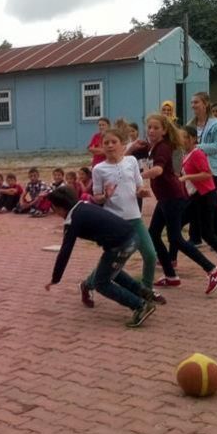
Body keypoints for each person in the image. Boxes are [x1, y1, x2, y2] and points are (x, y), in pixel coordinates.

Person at [45, 186, 157, 329]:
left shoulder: (72, 219)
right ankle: (142, 292)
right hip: (132, 237)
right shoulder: (83, 205)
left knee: (101, 283)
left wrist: (55, 278)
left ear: (58, 208)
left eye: (53, 209)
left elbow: (65, 251)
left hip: (120, 245)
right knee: (109, 271)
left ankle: (140, 306)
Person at [141, 114, 217, 294]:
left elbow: (158, 170)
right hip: (165, 198)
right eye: (149, 127)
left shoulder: (163, 147)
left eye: (156, 127)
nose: (151, 130)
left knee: (176, 238)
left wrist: (136, 177)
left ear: (165, 130)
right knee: (154, 234)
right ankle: (171, 276)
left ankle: (213, 269)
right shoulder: (154, 146)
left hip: (172, 197)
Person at [85, 128, 160, 307]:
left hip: (134, 218)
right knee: (114, 264)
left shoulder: (131, 161)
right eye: (106, 143)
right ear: (102, 146)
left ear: (122, 144)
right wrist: (105, 195)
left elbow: (138, 187)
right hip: (114, 223)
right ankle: (87, 284)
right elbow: (96, 197)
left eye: (114, 142)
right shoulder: (98, 169)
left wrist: (142, 192)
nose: (110, 146)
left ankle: (145, 291)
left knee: (150, 255)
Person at [179, 126, 217, 274]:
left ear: (193, 138)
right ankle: (170, 259)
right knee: (176, 226)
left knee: (207, 233)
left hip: (205, 197)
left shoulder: (197, 153)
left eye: (184, 137)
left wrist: (187, 177)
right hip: (195, 197)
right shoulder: (186, 154)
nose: (181, 140)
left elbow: (207, 174)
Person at [187, 92, 217, 245]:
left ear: (205, 104)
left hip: (211, 168)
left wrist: (197, 148)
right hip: (194, 169)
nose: (193, 106)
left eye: (196, 102)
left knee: (210, 204)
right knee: (194, 202)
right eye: (192, 103)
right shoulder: (191, 124)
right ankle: (195, 237)